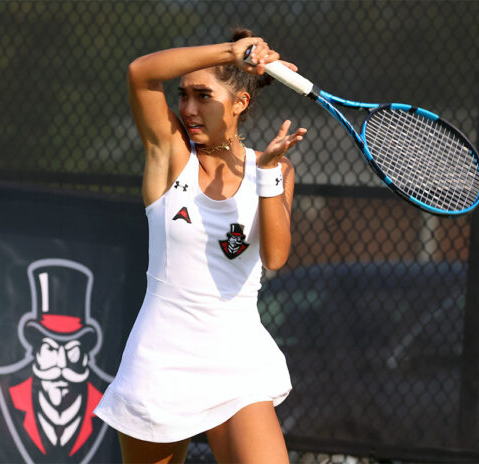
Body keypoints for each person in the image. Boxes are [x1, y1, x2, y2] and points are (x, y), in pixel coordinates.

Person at [94, 28, 307, 464]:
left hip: (237, 359)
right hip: (161, 359)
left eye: (202, 95)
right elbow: (140, 73)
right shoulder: (170, 152)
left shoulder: (274, 170)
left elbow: (276, 257)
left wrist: (267, 174)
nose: (188, 108)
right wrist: (231, 52)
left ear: (239, 104)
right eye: (183, 95)